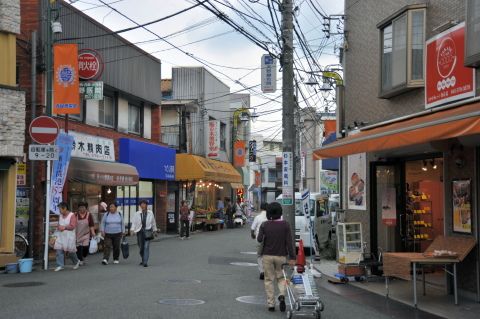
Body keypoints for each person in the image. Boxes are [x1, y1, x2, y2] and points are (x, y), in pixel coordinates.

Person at [257, 202, 296, 312]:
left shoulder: (264, 225)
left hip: (267, 256)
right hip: (281, 256)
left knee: (269, 279)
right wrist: (293, 257)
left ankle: (271, 304)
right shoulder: (285, 225)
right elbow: (289, 242)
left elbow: (259, 239)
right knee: (282, 278)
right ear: (280, 212)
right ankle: (282, 294)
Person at [54, 202, 80, 272]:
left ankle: (76, 261)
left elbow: (73, 226)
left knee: (71, 251)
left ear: (65, 208)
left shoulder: (72, 215)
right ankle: (60, 265)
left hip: (69, 236)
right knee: (59, 249)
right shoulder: (60, 216)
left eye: (60, 209)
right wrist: (58, 228)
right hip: (61, 235)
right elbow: (59, 225)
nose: (59, 211)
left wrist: (64, 228)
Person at [131, 200, 157, 267]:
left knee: (146, 247)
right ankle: (143, 259)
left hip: (148, 231)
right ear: (140, 206)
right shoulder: (137, 213)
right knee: (141, 247)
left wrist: (155, 230)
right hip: (140, 232)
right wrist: (132, 230)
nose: (142, 205)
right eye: (141, 204)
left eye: (144, 204)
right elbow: (134, 222)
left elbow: (153, 222)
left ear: (146, 205)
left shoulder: (150, 213)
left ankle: (145, 262)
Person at [251, 203, 268, 280]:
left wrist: (253, 235)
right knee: (267, 255)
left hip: (259, 239)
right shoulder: (270, 217)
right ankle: (267, 270)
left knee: (259, 255)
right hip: (269, 239)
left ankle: (262, 271)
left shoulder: (258, 217)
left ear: (261, 209)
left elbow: (252, 228)